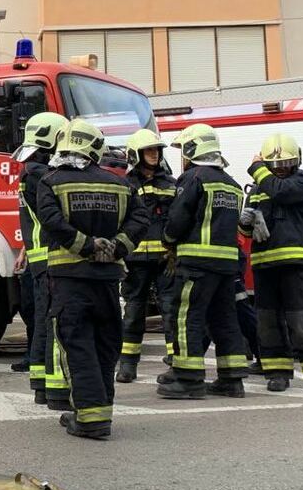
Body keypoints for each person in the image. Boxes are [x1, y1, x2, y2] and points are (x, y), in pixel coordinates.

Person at [35, 119, 149, 440]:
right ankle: (100, 410)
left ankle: (89, 419)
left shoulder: (51, 181)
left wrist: (85, 246)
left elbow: (51, 221)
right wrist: (117, 248)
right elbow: (140, 218)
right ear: (95, 148)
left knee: (77, 344)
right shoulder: (121, 184)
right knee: (105, 343)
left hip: (69, 279)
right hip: (107, 280)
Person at [158, 125, 249, 399]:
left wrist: (168, 240)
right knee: (225, 319)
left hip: (196, 264)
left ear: (191, 150)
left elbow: (178, 218)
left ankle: (188, 379)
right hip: (226, 265)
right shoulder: (232, 184)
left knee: (187, 318)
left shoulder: (193, 177)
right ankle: (232, 380)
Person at [242, 134, 303, 396]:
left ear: (297, 162)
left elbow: (281, 192)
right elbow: (246, 231)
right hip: (264, 265)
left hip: (295, 264)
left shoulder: (302, 182)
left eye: (286, 163)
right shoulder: (259, 189)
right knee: (268, 322)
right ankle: (277, 372)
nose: (281, 169)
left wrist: (258, 168)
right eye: (276, 165)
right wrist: (246, 221)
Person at [11, 112, 68, 405]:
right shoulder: (39, 175)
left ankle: (41, 383)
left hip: (38, 256)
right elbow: (51, 219)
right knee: (50, 323)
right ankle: (49, 385)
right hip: (49, 258)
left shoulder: (28, 171)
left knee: (45, 321)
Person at [115, 130, 176, 384]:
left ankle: (176, 363)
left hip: (165, 259)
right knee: (134, 312)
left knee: (171, 310)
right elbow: (119, 221)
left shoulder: (171, 184)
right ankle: (128, 364)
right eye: (149, 150)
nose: (154, 154)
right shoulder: (125, 185)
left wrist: (175, 251)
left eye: (157, 150)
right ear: (135, 154)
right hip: (136, 260)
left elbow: (178, 220)